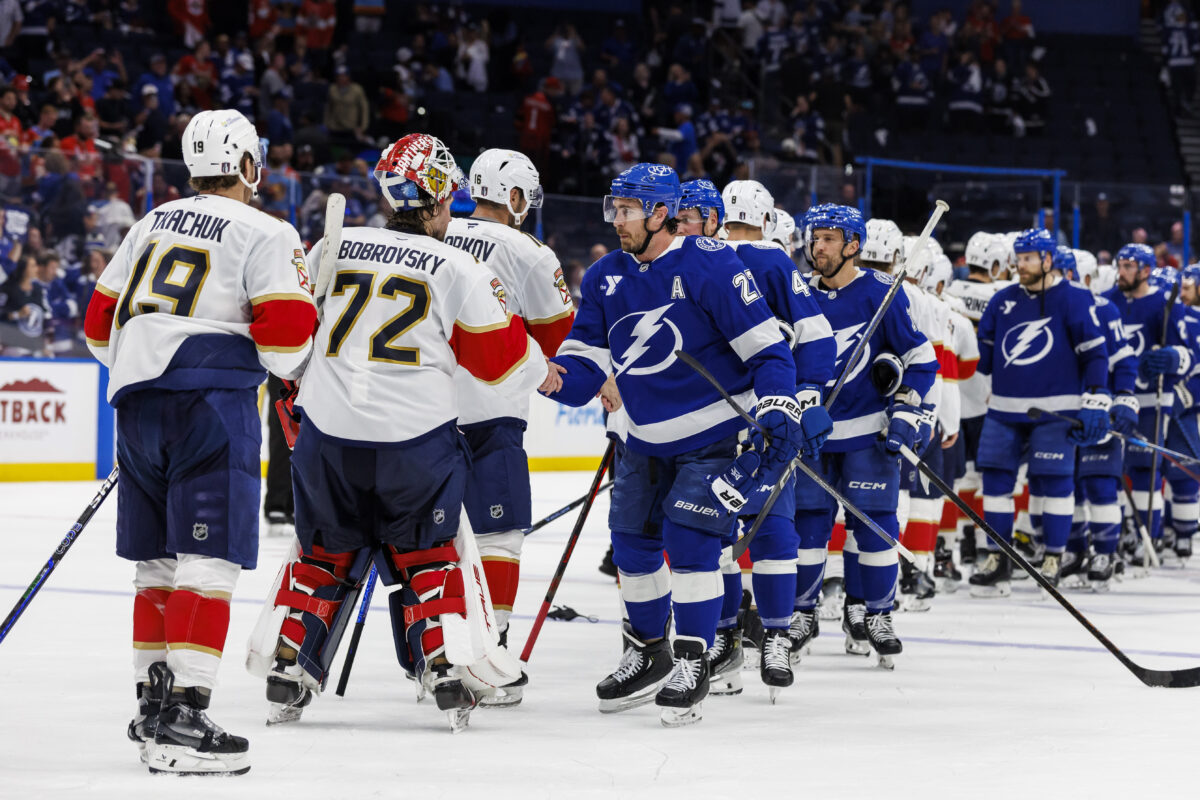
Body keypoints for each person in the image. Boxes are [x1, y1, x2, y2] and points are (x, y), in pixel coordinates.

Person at [260, 134, 556, 731]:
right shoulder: (457, 266)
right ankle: (443, 666)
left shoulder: (332, 248)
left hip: (328, 439)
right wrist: (542, 368)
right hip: (414, 440)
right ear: (442, 194)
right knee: (429, 556)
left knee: (322, 555)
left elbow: (291, 344)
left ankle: (289, 663)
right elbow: (501, 363)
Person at [83, 109, 317, 775]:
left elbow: (100, 327)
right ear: (247, 165)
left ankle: (154, 708)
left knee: (156, 566)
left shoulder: (148, 222)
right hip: (212, 405)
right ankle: (186, 714)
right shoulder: (267, 230)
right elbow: (284, 343)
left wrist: (153, 368)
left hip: (137, 405)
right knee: (207, 565)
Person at [540, 163, 803, 726]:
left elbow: (768, 350)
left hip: (710, 437)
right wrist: (553, 377)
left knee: (689, 544)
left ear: (662, 213)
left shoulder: (711, 263)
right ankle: (648, 652)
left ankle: (693, 659)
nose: (618, 221)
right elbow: (587, 359)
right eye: (615, 208)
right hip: (640, 438)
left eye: (628, 210)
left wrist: (780, 405)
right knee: (632, 548)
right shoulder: (606, 275)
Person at [679, 178, 834, 695]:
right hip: (766, 414)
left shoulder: (692, 257)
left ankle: (723, 639)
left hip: (709, 421)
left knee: (716, 532)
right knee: (772, 531)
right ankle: (775, 636)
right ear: (768, 221)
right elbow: (816, 335)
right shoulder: (772, 262)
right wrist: (806, 395)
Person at [441, 148, 575, 706]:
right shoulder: (527, 250)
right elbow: (554, 340)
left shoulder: (435, 233)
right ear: (516, 198)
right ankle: (488, 656)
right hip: (492, 413)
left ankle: (436, 654)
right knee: (499, 538)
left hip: (422, 414)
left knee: (436, 542)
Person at [793, 204, 937, 668]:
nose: (819, 247)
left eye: (830, 239)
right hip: (812, 437)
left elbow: (921, 361)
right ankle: (802, 613)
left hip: (867, 439)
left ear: (853, 245)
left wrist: (906, 411)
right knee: (808, 529)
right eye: (816, 238)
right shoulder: (797, 292)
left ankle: (873, 612)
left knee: (874, 529)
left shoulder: (883, 292)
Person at [970, 229, 1111, 597]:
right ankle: (998, 557)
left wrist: (1098, 397)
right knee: (995, 484)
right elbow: (983, 358)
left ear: (1048, 260)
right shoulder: (1002, 300)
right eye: (1018, 258)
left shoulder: (1075, 299)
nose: (1021, 265)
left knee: (1053, 483)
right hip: (1002, 410)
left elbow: (1095, 354)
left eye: (1029, 258)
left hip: (1056, 411)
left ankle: (1053, 556)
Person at [1104, 243, 1200, 565]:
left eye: (1130, 266)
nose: (1123, 271)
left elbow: (1188, 355)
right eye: (1121, 265)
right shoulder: (1107, 301)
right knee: (1114, 470)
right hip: (1116, 399)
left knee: (1147, 469)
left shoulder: (1165, 304)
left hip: (1153, 400)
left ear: (1145, 270)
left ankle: (1151, 538)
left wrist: (1173, 357)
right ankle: (1119, 535)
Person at [1054, 248, 1137, 590]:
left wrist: (1125, 399)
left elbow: (1124, 360)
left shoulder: (1105, 309)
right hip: (1062, 412)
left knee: (1100, 483)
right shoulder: (1048, 305)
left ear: (1084, 278)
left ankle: (1105, 551)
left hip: (1098, 408)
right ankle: (1074, 549)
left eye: (1066, 272)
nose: (1059, 279)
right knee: (1066, 486)